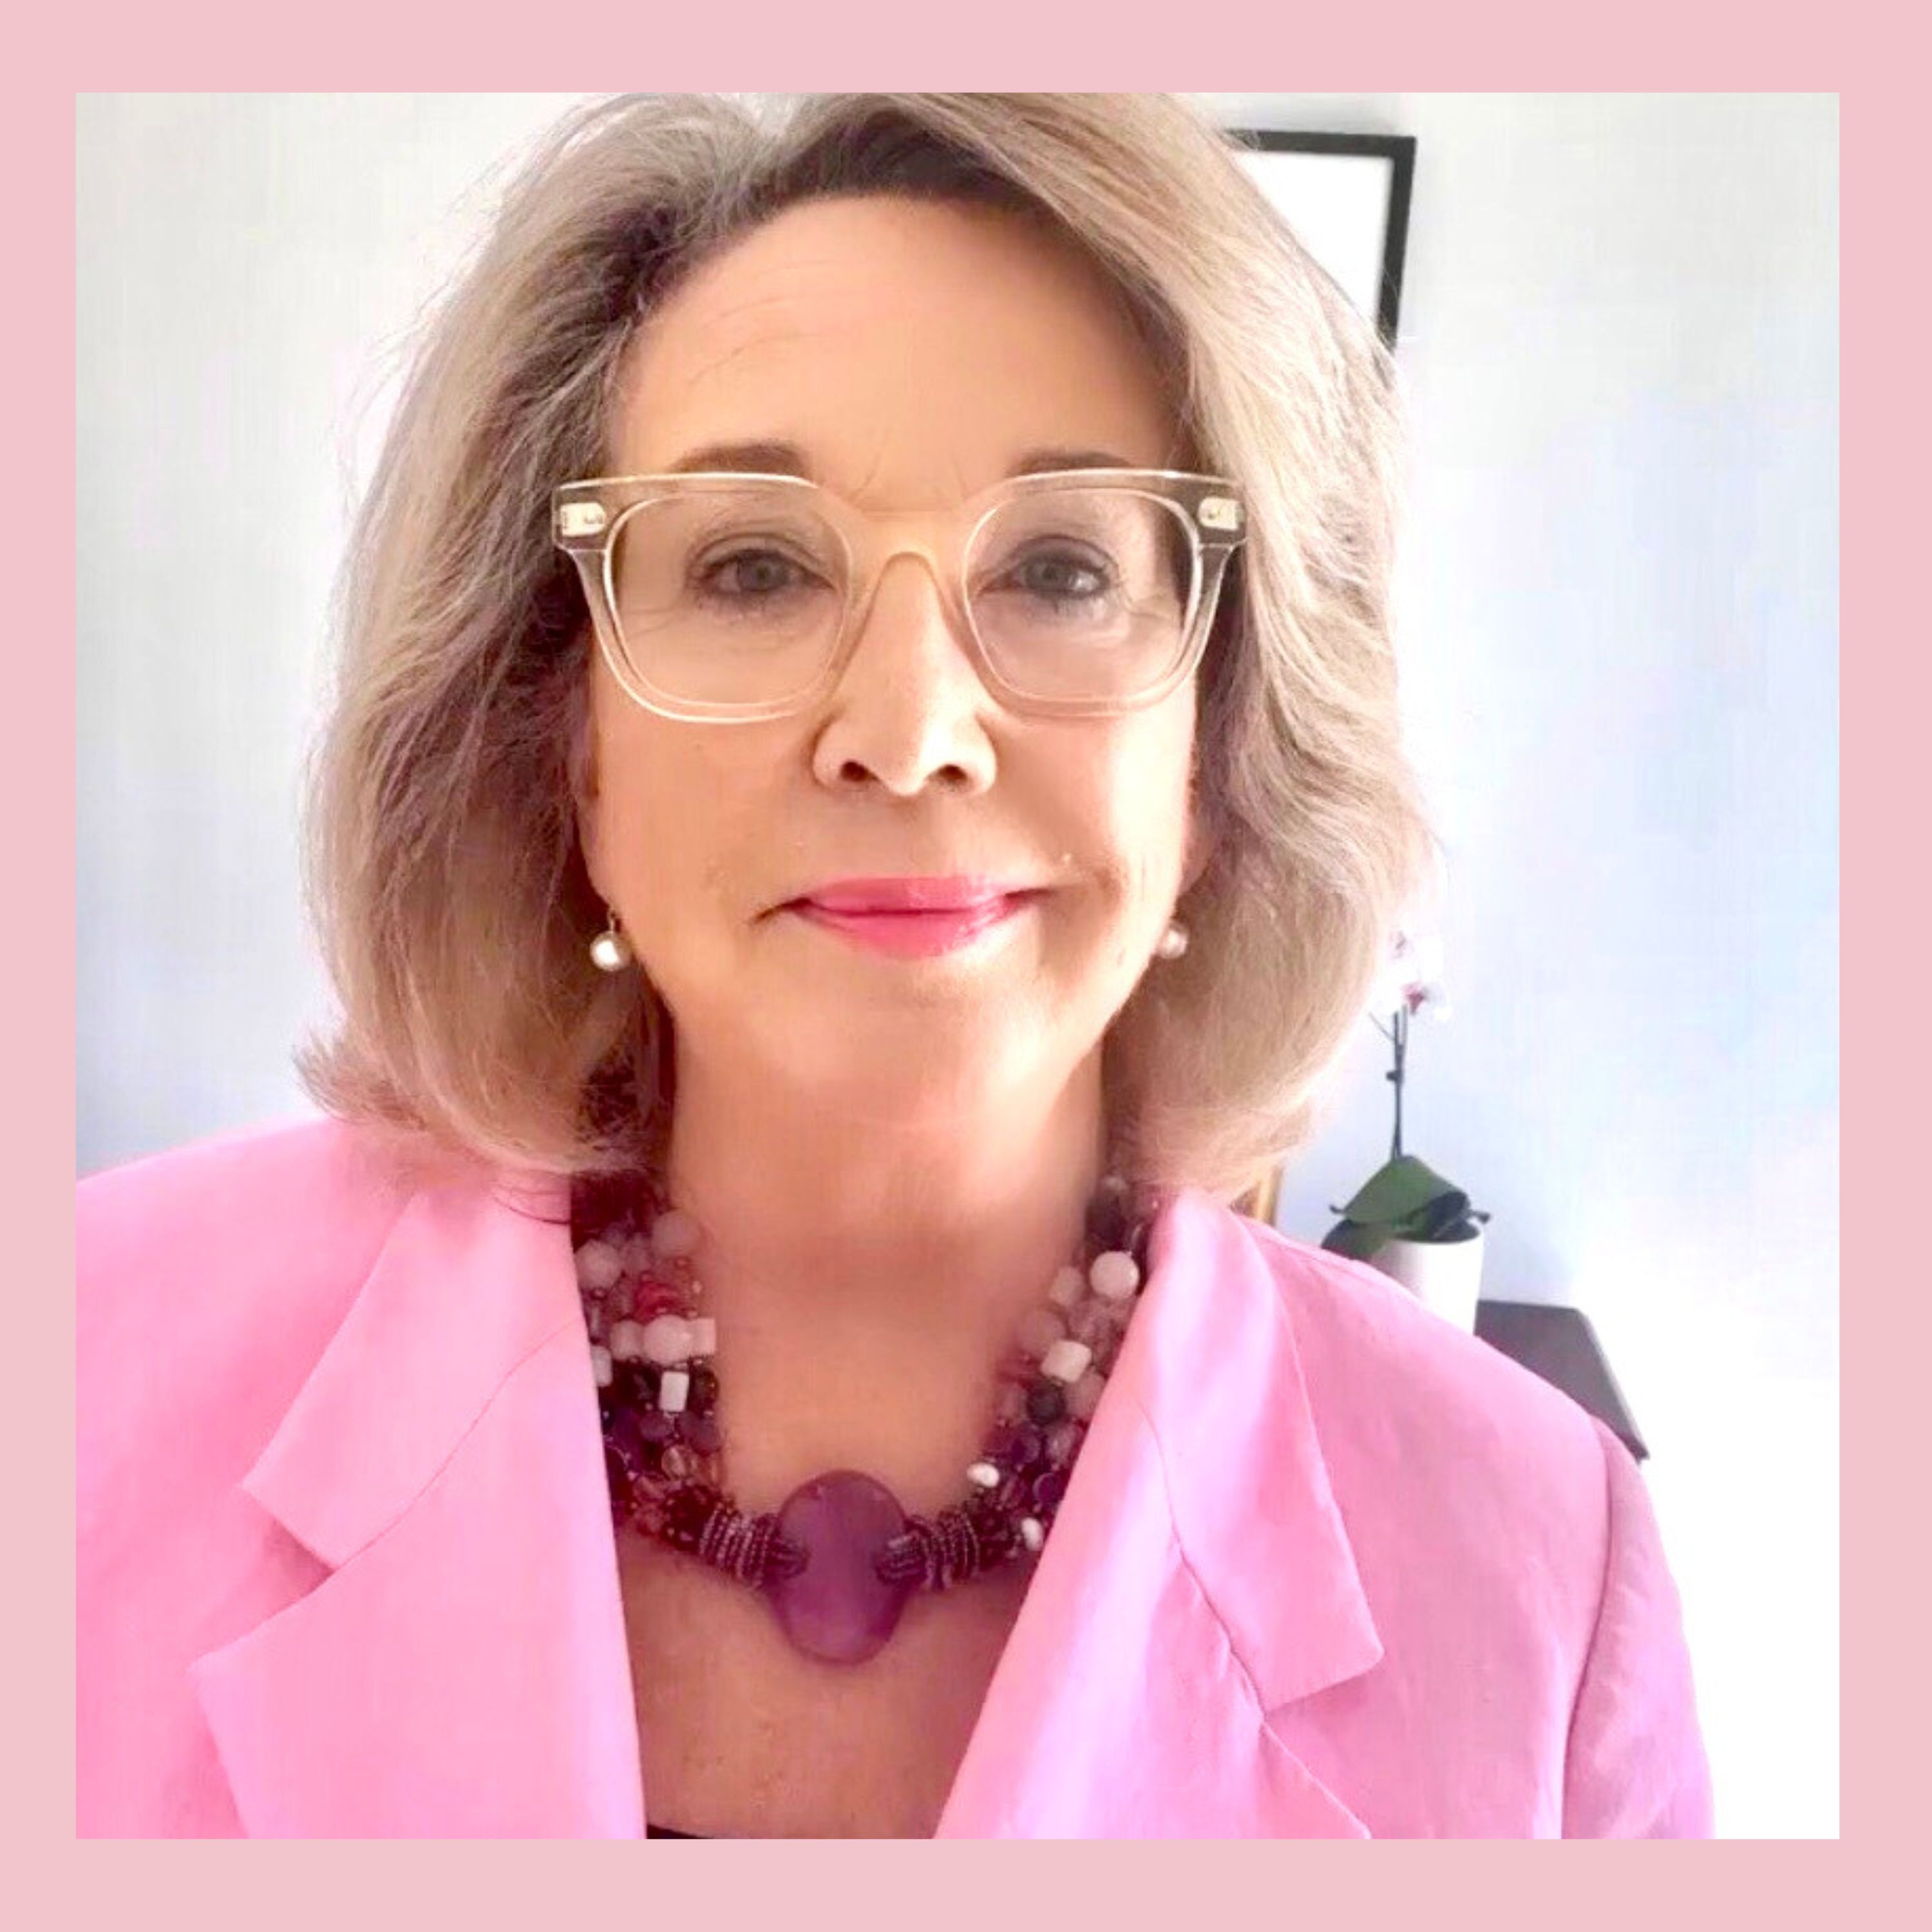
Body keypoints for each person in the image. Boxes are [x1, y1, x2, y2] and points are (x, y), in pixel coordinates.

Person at [76, 92, 1712, 1839]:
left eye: (1064, 568)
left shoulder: (1546, 1580)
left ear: (1219, 757)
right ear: (568, 743)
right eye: (755, 566)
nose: (911, 730)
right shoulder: (75, 1364)